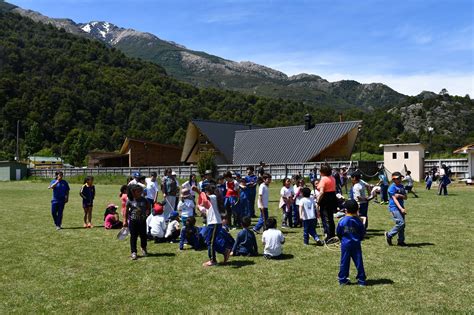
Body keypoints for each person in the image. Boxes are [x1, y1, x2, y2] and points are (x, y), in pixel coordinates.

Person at [198, 184, 230, 267]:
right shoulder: (212, 200)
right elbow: (206, 208)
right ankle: (224, 251)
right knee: (210, 241)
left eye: (206, 191)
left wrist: (197, 191)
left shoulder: (213, 197)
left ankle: (213, 260)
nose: (205, 193)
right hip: (213, 223)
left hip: (215, 223)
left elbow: (206, 198)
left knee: (210, 242)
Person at [336, 199, 367, 286]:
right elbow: (362, 232)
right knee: (358, 261)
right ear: (357, 209)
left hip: (345, 244)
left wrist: (341, 239)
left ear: (346, 209)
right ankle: (361, 280)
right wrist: (359, 238)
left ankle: (342, 279)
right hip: (356, 244)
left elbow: (338, 232)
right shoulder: (358, 221)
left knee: (344, 261)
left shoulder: (342, 221)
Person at [124, 184, 150, 260]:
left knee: (143, 236)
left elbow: (148, 207)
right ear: (133, 192)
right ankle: (133, 252)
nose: (140, 193)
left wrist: (147, 213)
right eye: (138, 191)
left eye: (140, 191)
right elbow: (126, 211)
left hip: (142, 221)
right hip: (133, 222)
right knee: (133, 237)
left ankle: (144, 248)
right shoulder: (130, 200)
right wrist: (125, 220)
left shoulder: (144, 200)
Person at [384, 172, 408, 247]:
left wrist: (400, 195)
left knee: (402, 225)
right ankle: (389, 234)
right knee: (401, 223)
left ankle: (401, 241)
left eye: (400, 178)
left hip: (401, 207)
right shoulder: (392, 187)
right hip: (394, 207)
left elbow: (406, 197)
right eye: (397, 178)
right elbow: (395, 199)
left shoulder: (401, 186)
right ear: (393, 179)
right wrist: (401, 209)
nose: (399, 179)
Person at [317, 164, 337, 242]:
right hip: (332, 197)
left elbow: (321, 192)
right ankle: (332, 235)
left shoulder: (324, 179)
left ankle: (328, 237)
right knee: (330, 218)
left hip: (326, 199)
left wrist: (318, 201)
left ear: (323, 172)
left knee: (325, 218)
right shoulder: (332, 178)